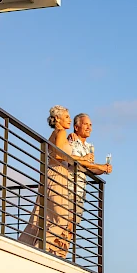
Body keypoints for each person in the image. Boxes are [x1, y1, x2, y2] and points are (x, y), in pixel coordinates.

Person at [19, 105, 79, 258]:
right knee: (60, 217)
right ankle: (41, 250)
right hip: (57, 174)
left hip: (57, 174)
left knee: (43, 215)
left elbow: (58, 152)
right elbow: (59, 155)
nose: (70, 120)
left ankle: (28, 248)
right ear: (57, 118)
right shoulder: (60, 132)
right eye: (67, 117)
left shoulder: (59, 134)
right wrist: (80, 160)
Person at [68, 113, 112, 222]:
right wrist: (98, 166)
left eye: (90, 125)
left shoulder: (89, 147)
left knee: (73, 224)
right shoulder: (71, 140)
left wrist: (104, 169)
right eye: (85, 124)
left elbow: (90, 168)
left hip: (80, 190)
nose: (89, 128)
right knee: (66, 223)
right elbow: (73, 160)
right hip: (69, 187)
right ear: (76, 127)